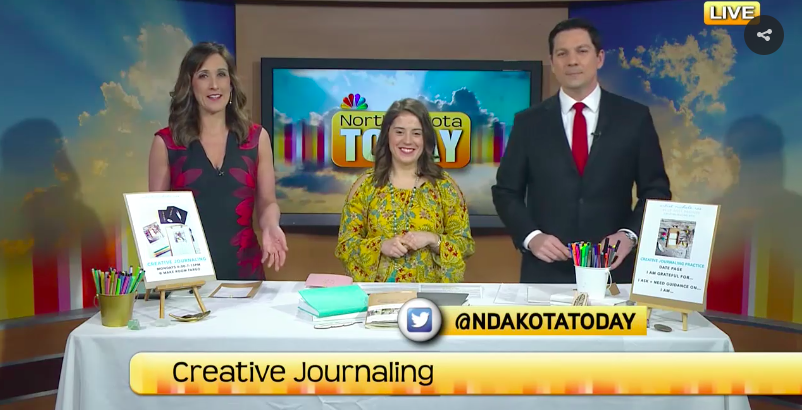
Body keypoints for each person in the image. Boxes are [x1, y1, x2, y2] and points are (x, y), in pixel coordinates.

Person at [491, 18, 671, 284]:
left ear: (599, 58)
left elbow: (656, 190)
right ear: (552, 62)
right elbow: (506, 191)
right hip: (545, 271)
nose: (572, 61)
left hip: (612, 269)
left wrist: (629, 235)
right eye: (562, 54)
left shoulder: (634, 118)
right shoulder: (528, 122)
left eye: (582, 51)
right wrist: (532, 237)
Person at [148, 42, 287, 280]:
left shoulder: (255, 138)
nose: (214, 85)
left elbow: (267, 202)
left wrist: (271, 226)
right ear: (190, 84)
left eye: (221, 74)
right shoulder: (167, 143)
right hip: (189, 279)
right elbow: (156, 217)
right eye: (204, 75)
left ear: (231, 83)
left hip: (245, 273)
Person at [335, 98, 475, 283]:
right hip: (378, 295)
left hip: (430, 295)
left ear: (425, 138)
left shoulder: (444, 187)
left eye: (416, 133)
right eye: (399, 132)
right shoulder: (365, 186)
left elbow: (466, 246)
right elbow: (345, 246)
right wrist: (380, 246)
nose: (407, 140)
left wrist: (433, 239)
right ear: (387, 135)